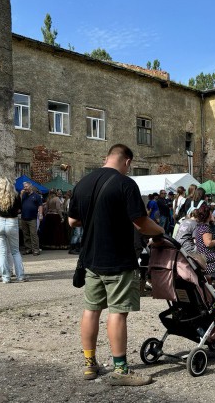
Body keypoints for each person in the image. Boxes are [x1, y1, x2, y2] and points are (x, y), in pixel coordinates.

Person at [68, 143, 164, 386]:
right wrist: (161, 230)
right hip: (119, 259)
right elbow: (141, 224)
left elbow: (72, 221)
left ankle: (90, 364)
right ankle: (120, 370)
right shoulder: (126, 184)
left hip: (90, 260)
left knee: (91, 310)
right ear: (127, 161)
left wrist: (95, 222)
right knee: (117, 313)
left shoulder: (83, 183)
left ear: (106, 157)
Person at [0, 178, 26, 283]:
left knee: (2, 252)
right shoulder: (15, 196)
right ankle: (20, 276)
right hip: (12, 221)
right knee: (15, 251)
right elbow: (20, 209)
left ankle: (5, 277)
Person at [20, 182, 43, 255]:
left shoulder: (36, 196)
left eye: (26, 186)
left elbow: (40, 206)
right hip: (24, 218)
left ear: (31, 186)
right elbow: (19, 203)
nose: (25, 188)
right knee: (26, 234)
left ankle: (35, 249)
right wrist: (21, 195)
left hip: (32, 218)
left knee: (33, 234)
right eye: (24, 187)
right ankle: (28, 249)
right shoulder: (23, 196)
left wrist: (40, 214)